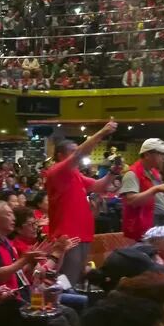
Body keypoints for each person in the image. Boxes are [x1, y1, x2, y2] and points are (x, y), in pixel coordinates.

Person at [45, 119, 119, 286]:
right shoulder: (57, 171)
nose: (77, 154)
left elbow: (98, 186)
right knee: (65, 282)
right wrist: (102, 133)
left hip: (82, 234)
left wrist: (113, 173)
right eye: (72, 151)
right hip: (68, 237)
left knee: (75, 280)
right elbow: (80, 154)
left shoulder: (75, 174)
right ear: (60, 156)